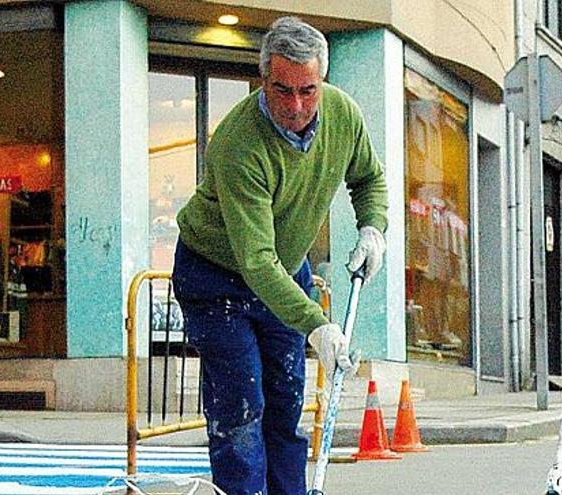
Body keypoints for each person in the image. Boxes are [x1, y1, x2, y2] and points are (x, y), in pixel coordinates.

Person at [172, 16, 388, 495]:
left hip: (285, 274)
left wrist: (373, 227)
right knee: (242, 409)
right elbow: (256, 260)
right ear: (263, 79)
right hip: (215, 277)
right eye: (282, 90)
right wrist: (316, 324)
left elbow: (368, 179)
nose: (295, 106)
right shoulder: (238, 144)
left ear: (322, 81)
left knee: (286, 404)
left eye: (308, 90)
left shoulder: (342, 115)